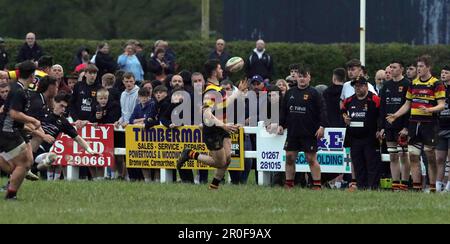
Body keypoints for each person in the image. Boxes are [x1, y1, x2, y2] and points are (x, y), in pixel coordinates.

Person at [176, 59, 248, 190]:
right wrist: (222, 125)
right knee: (219, 162)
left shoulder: (218, 87)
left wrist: (239, 92)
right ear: (215, 72)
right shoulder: (210, 91)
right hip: (212, 129)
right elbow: (206, 113)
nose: (222, 70)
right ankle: (190, 154)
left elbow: (225, 103)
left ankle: (214, 186)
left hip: (222, 126)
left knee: (228, 159)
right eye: (220, 68)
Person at [387, 55, 446, 192]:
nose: (418, 69)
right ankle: (417, 188)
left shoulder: (436, 84)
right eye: (417, 66)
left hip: (430, 124)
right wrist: (396, 115)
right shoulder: (413, 83)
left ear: (428, 67)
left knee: (430, 156)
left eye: (421, 66)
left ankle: (432, 187)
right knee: (413, 156)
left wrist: (429, 109)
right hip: (414, 124)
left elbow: (442, 105)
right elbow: (407, 104)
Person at [277, 65, 327, 190]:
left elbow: (323, 111)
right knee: (289, 157)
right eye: (300, 77)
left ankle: (316, 185)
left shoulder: (314, 93)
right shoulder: (290, 93)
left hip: (309, 132)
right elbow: (284, 111)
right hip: (293, 132)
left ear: (309, 78)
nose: (302, 79)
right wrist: (281, 125)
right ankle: (289, 184)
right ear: (296, 78)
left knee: (311, 159)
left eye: (304, 77)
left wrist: (322, 126)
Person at [0, 61, 41, 200]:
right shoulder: (18, 91)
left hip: (12, 129)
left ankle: (11, 193)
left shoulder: (17, 87)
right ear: (31, 76)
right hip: (7, 130)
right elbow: (14, 114)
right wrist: (33, 120)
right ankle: (11, 195)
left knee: (24, 162)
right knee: (23, 163)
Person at [34, 93, 98, 177]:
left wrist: (90, 150)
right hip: (31, 146)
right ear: (54, 102)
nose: (63, 109)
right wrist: (43, 136)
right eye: (61, 106)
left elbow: (78, 138)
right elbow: (29, 127)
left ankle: (33, 170)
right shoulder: (42, 111)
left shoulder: (63, 122)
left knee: (52, 157)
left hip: (42, 152)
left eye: (65, 107)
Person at [342, 77, 382, 190]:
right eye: (355, 86)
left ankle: (374, 187)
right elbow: (342, 109)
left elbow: (381, 115)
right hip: (354, 138)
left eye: (360, 86)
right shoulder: (349, 100)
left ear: (366, 86)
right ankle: (361, 187)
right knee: (358, 164)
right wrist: (345, 117)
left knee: (372, 163)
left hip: (370, 137)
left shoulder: (374, 99)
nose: (357, 88)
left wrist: (379, 129)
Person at [378, 60, 411, 191]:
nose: (391, 69)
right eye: (390, 67)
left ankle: (404, 183)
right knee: (393, 155)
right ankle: (395, 184)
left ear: (401, 69)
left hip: (402, 126)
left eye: (394, 67)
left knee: (403, 155)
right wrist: (381, 127)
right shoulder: (386, 85)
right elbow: (382, 108)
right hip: (389, 126)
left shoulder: (408, 84)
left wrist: (406, 127)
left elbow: (409, 107)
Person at [436, 65, 450, 192]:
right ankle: (437, 186)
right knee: (439, 159)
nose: (443, 74)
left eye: (446, 72)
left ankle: (448, 187)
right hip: (440, 128)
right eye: (442, 72)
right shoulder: (438, 88)